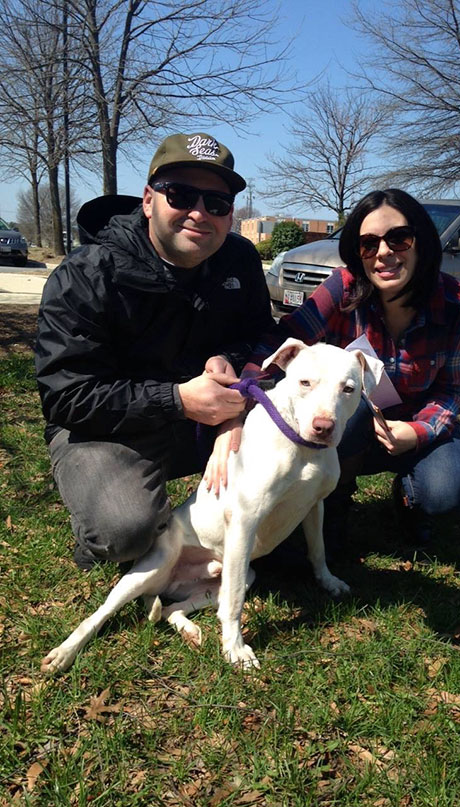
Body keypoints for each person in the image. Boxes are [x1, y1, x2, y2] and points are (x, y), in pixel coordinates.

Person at [35, 131, 274, 569]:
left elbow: (264, 336)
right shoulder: (86, 275)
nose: (199, 213)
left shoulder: (239, 259)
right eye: (181, 195)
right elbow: (67, 397)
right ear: (148, 201)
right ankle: (103, 521)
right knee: (125, 531)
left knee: (298, 439)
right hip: (104, 427)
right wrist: (179, 399)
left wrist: (236, 363)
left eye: (216, 203)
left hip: (207, 416)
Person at [208, 188, 460, 551]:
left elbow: (454, 389)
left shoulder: (457, 302)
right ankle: (333, 500)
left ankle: (409, 500)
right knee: (352, 404)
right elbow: (282, 339)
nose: (384, 253)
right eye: (369, 244)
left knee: (446, 490)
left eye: (399, 238)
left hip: (412, 424)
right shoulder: (343, 288)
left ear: (423, 242)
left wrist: (418, 431)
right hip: (348, 423)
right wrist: (241, 399)